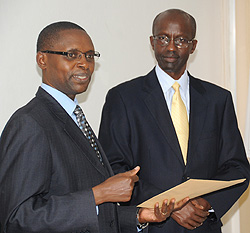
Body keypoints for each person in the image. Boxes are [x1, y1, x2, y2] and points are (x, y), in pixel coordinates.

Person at [0, 21, 188, 233]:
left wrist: (139, 215)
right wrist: (99, 194)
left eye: (89, 56)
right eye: (72, 55)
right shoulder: (29, 123)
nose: (84, 64)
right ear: (42, 59)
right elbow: (17, 219)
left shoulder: (74, 117)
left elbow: (90, 212)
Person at [99, 9, 250, 233]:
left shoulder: (218, 99)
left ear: (193, 45)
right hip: (151, 227)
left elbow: (237, 168)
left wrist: (206, 203)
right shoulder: (123, 98)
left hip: (202, 226)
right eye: (163, 38)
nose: (171, 47)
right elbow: (113, 168)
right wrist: (171, 205)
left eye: (180, 40)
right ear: (152, 42)